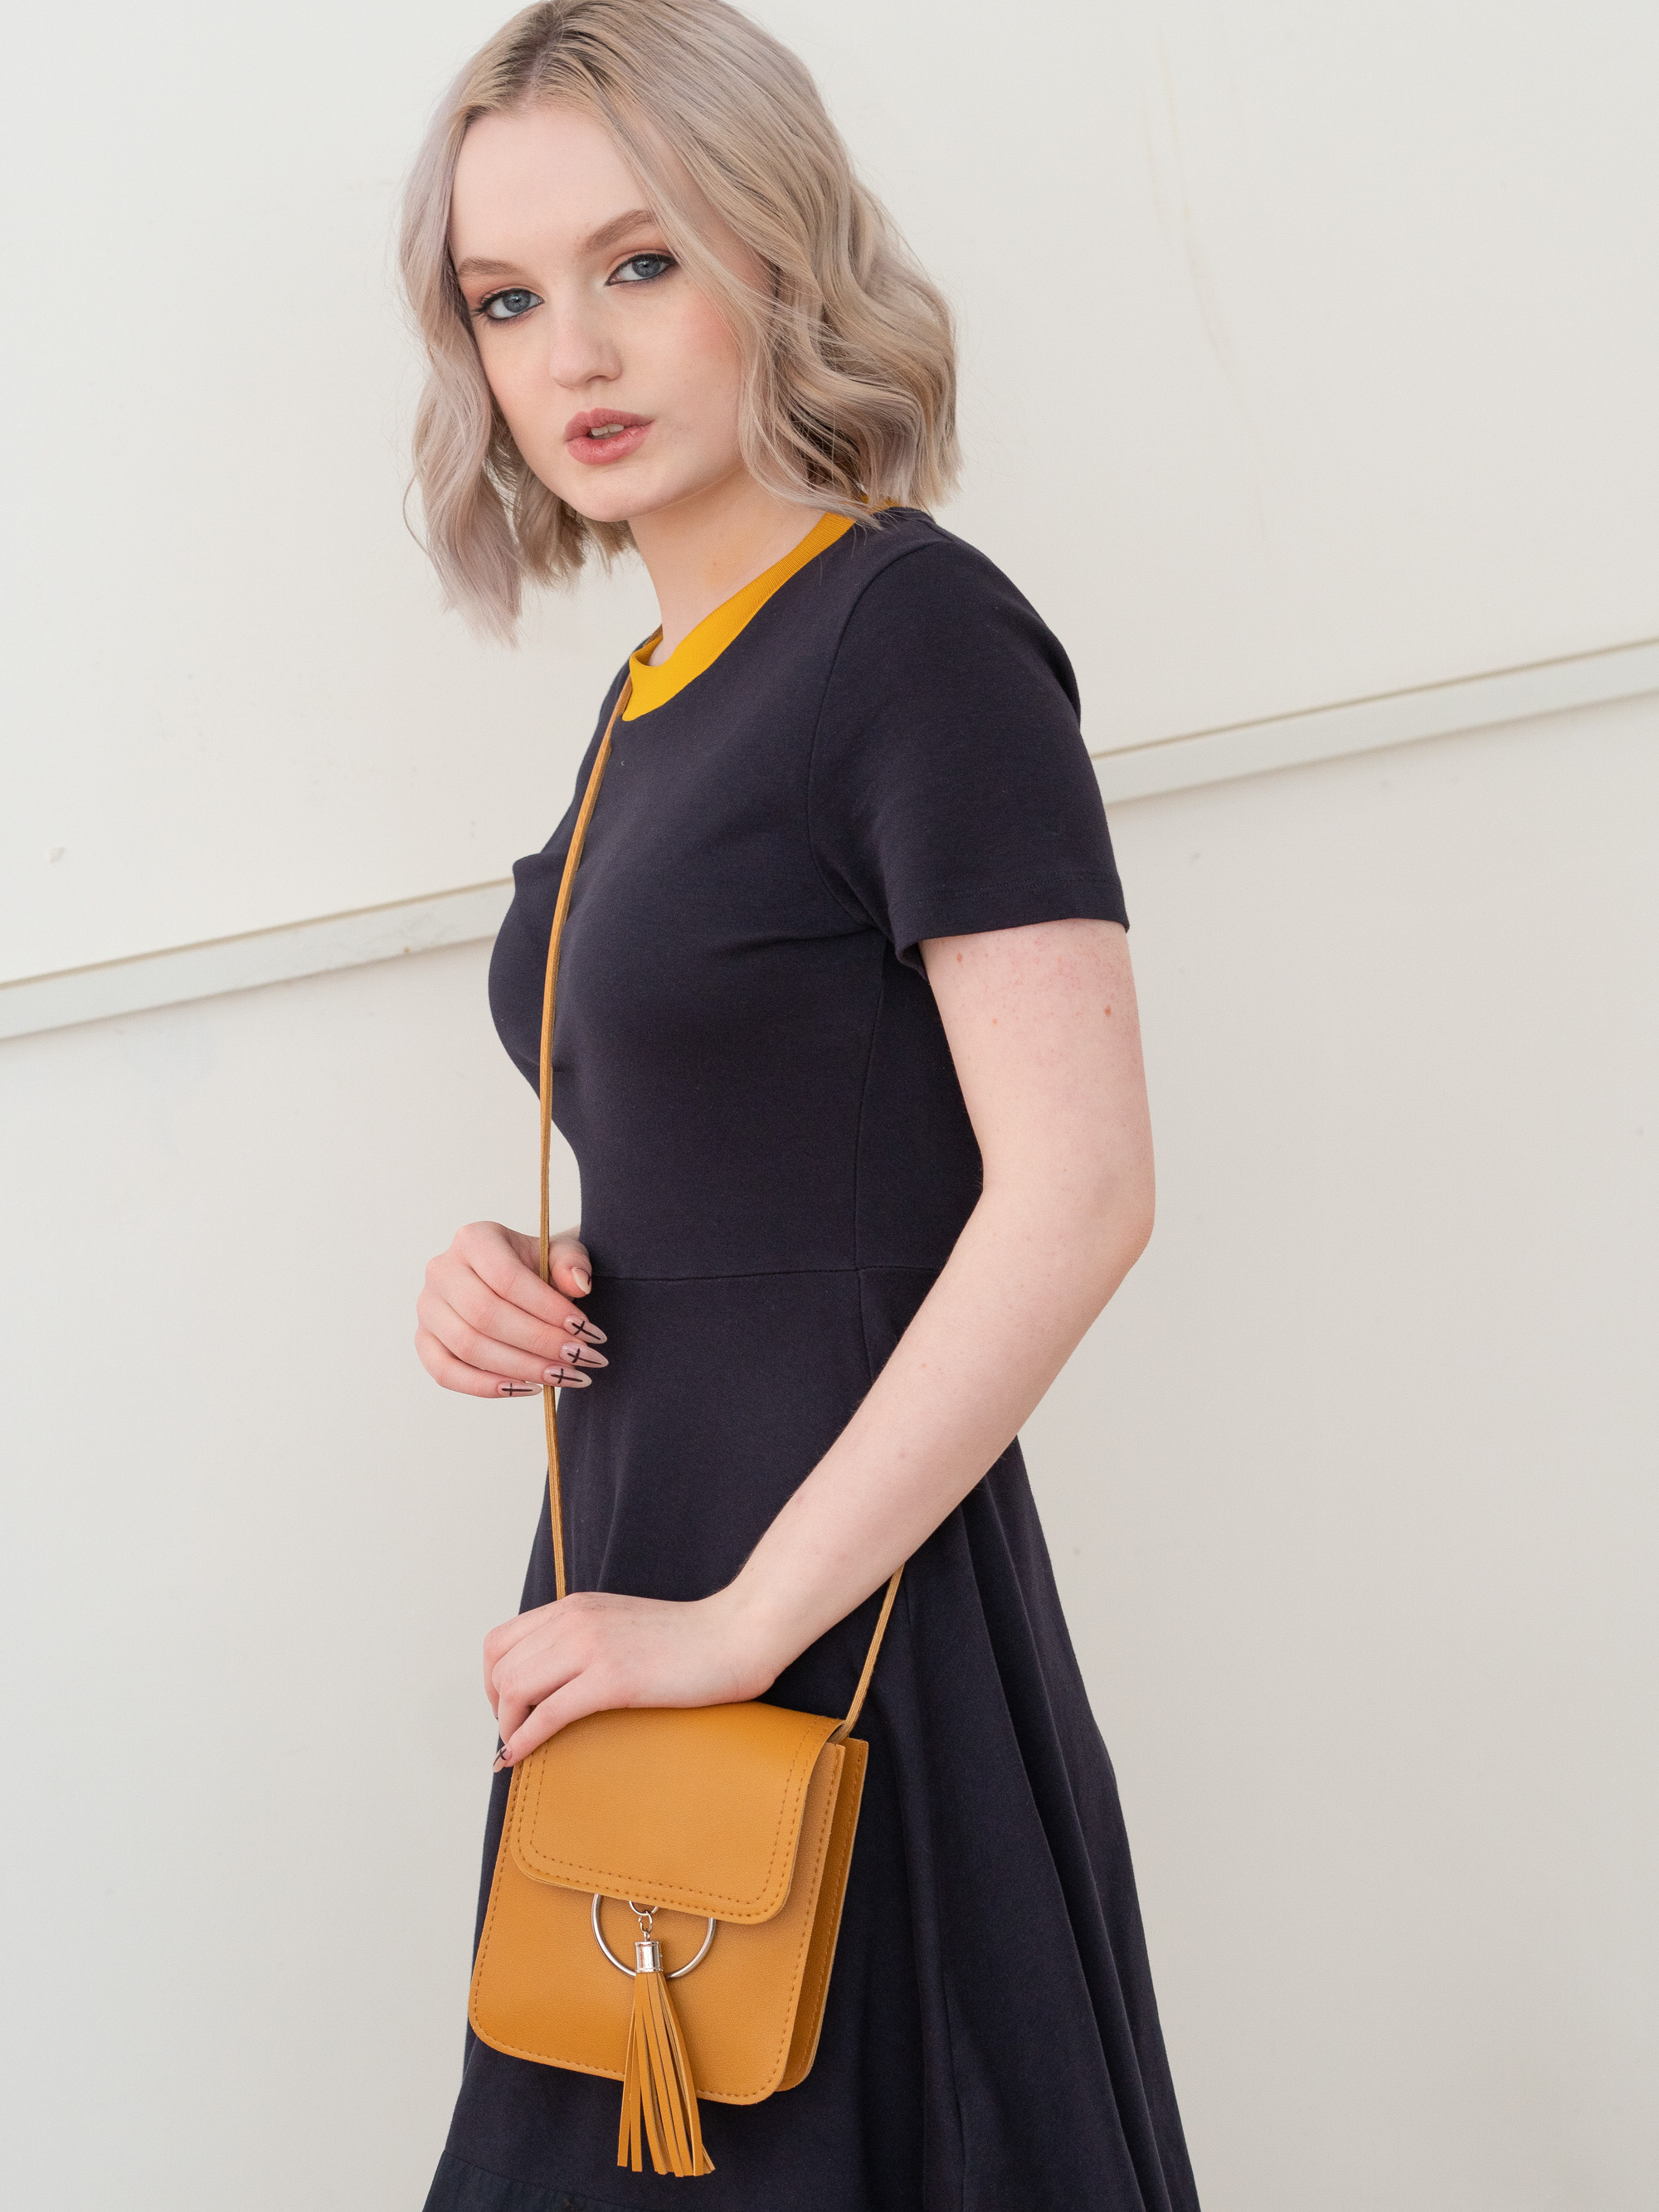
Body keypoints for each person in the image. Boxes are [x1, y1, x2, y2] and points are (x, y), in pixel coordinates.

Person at [403, 4, 1200, 2206]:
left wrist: (743, 1626)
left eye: (640, 261)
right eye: (506, 298)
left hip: (819, 1613)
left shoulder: (910, 633)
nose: (575, 348)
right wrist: (522, 1269)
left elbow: (1081, 1188)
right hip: (644, 1571)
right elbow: (763, 1144)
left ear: (783, 250)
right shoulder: (651, 696)